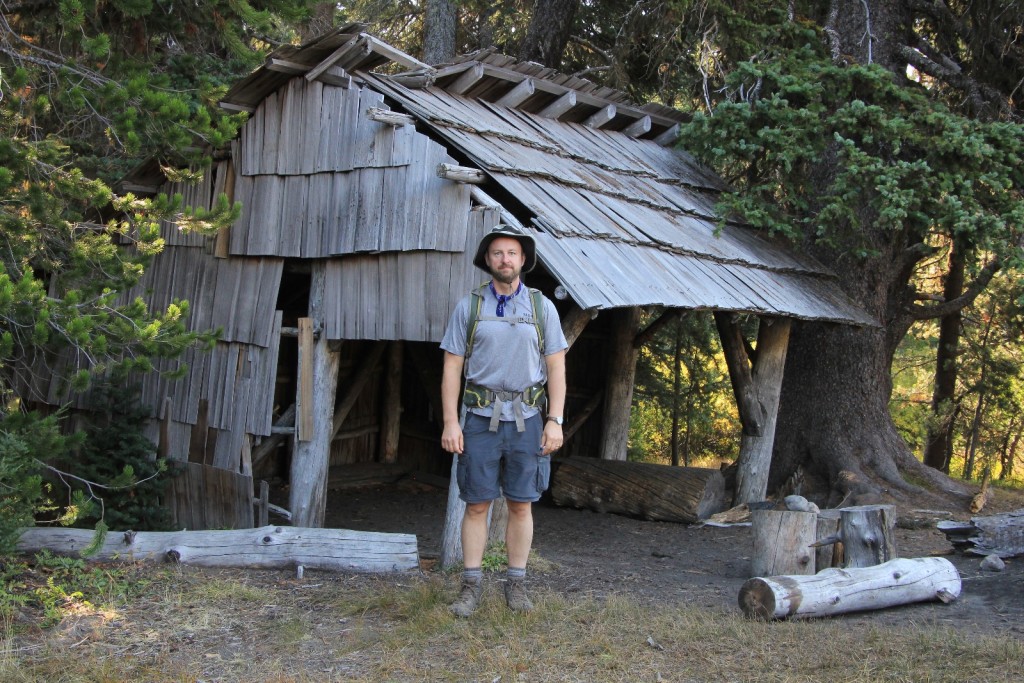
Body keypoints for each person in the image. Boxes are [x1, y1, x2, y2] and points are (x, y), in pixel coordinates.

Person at [440, 224, 568, 617]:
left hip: (528, 419)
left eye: (512, 253)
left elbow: (557, 369)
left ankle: (516, 585)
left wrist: (555, 420)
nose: (505, 259)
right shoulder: (470, 306)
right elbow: (451, 369)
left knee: (521, 504)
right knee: (476, 505)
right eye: (497, 253)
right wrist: (451, 422)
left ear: (523, 260)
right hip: (478, 419)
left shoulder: (542, 307)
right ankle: (471, 587)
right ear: (487, 260)